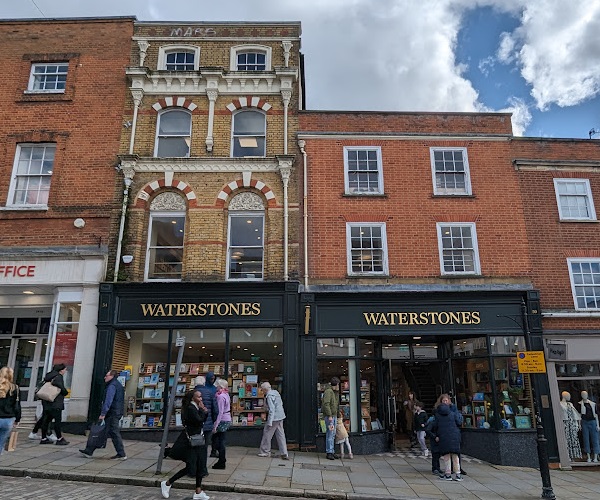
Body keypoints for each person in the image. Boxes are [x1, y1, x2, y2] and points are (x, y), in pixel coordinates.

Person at [160, 390, 210, 500]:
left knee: (200, 465)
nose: (201, 399)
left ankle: (198, 491)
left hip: (198, 441)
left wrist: (203, 411)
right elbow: (199, 421)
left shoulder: (195, 407)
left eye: (201, 397)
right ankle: (167, 483)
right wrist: (203, 411)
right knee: (191, 467)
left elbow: (201, 421)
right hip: (191, 442)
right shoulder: (191, 409)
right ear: (193, 398)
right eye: (199, 397)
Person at [80, 369, 126, 459]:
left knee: (111, 432)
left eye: (107, 375)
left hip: (112, 413)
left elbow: (108, 400)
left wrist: (103, 413)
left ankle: (121, 453)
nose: (105, 377)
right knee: (102, 431)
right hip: (115, 412)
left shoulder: (112, 386)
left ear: (112, 376)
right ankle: (89, 450)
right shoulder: (118, 385)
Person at [431, 393, 463, 481]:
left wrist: (437, 435)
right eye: (444, 400)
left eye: (446, 400)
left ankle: (448, 474)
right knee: (455, 456)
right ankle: (458, 474)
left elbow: (435, 426)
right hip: (454, 436)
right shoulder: (453, 413)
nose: (445, 402)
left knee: (446, 456)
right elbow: (459, 422)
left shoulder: (437, 414)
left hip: (444, 437)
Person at [39, 363, 69, 445]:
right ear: (61, 370)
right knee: (57, 421)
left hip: (46, 401)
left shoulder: (48, 376)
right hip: (56, 402)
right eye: (64, 369)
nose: (65, 371)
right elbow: (61, 388)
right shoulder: (58, 377)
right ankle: (59, 438)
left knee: (46, 420)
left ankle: (43, 438)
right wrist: (65, 392)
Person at [194, 376, 218, 476]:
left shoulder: (192, 393)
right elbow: (215, 409)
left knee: (194, 448)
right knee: (204, 448)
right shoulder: (210, 393)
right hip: (207, 425)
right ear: (204, 383)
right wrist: (212, 421)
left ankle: (193, 469)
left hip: (195, 425)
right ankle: (203, 470)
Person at [258, 381, 288, 459]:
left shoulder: (269, 396)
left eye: (262, 390)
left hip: (274, 418)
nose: (262, 391)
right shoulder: (276, 393)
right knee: (281, 435)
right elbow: (280, 404)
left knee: (267, 433)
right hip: (281, 415)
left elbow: (272, 409)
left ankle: (265, 451)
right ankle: (284, 452)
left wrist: (270, 422)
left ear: (265, 389)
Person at [211, 378, 231, 469]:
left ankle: (222, 460)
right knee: (220, 440)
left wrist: (215, 425)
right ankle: (221, 460)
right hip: (226, 419)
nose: (216, 387)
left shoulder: (220, 397)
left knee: (218, 441)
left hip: (222, 420)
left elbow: (220, 412)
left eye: (217, 386)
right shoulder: (226, 394)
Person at [0, 367, 21, 455]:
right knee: (1, 443)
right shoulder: (15, 388)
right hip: (8, 419)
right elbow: (17, 406)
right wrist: (17, 419)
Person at [322, 377, 340, 460]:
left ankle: (332, 451)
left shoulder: (334, 392)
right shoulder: (329, 392)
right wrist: (329, 415)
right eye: (338, 385)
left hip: (334, 415)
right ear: (335, 385)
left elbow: (335, 404)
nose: (338, 386)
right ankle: (329, 452)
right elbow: (326, 404)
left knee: (332, 434)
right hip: (330, 416)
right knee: (330, 434)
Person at [560, 391, 582, 460]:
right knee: (566, 440)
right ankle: (567, 455)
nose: (569, 397)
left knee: (573, 439)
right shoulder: (560, 404)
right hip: (565, 423)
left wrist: (578, 424)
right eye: (568, 395)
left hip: (572, 423)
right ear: (564, 396)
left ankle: (573, 455)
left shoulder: (570, 404)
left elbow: (575, 414)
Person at [579, 390, 599, 463]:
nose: (584, 396)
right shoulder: (579, 404)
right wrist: (579, 424)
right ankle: (588, 456)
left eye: (585, 394)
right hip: (584, 422)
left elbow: (596, 415)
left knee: (595, 439)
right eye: (582, 394)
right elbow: (579, 415)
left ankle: (596, 456)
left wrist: (597, 425)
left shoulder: (592, 404)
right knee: (586, 439)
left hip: (592, 421)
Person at [205, 372, 219, 459]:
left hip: (212, 414)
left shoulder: (214, 388)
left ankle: (213, 450)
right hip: (207, 414)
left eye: (214, 379)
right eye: (211, 379)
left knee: (214, 435)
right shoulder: (206, 388)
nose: (212, 380)